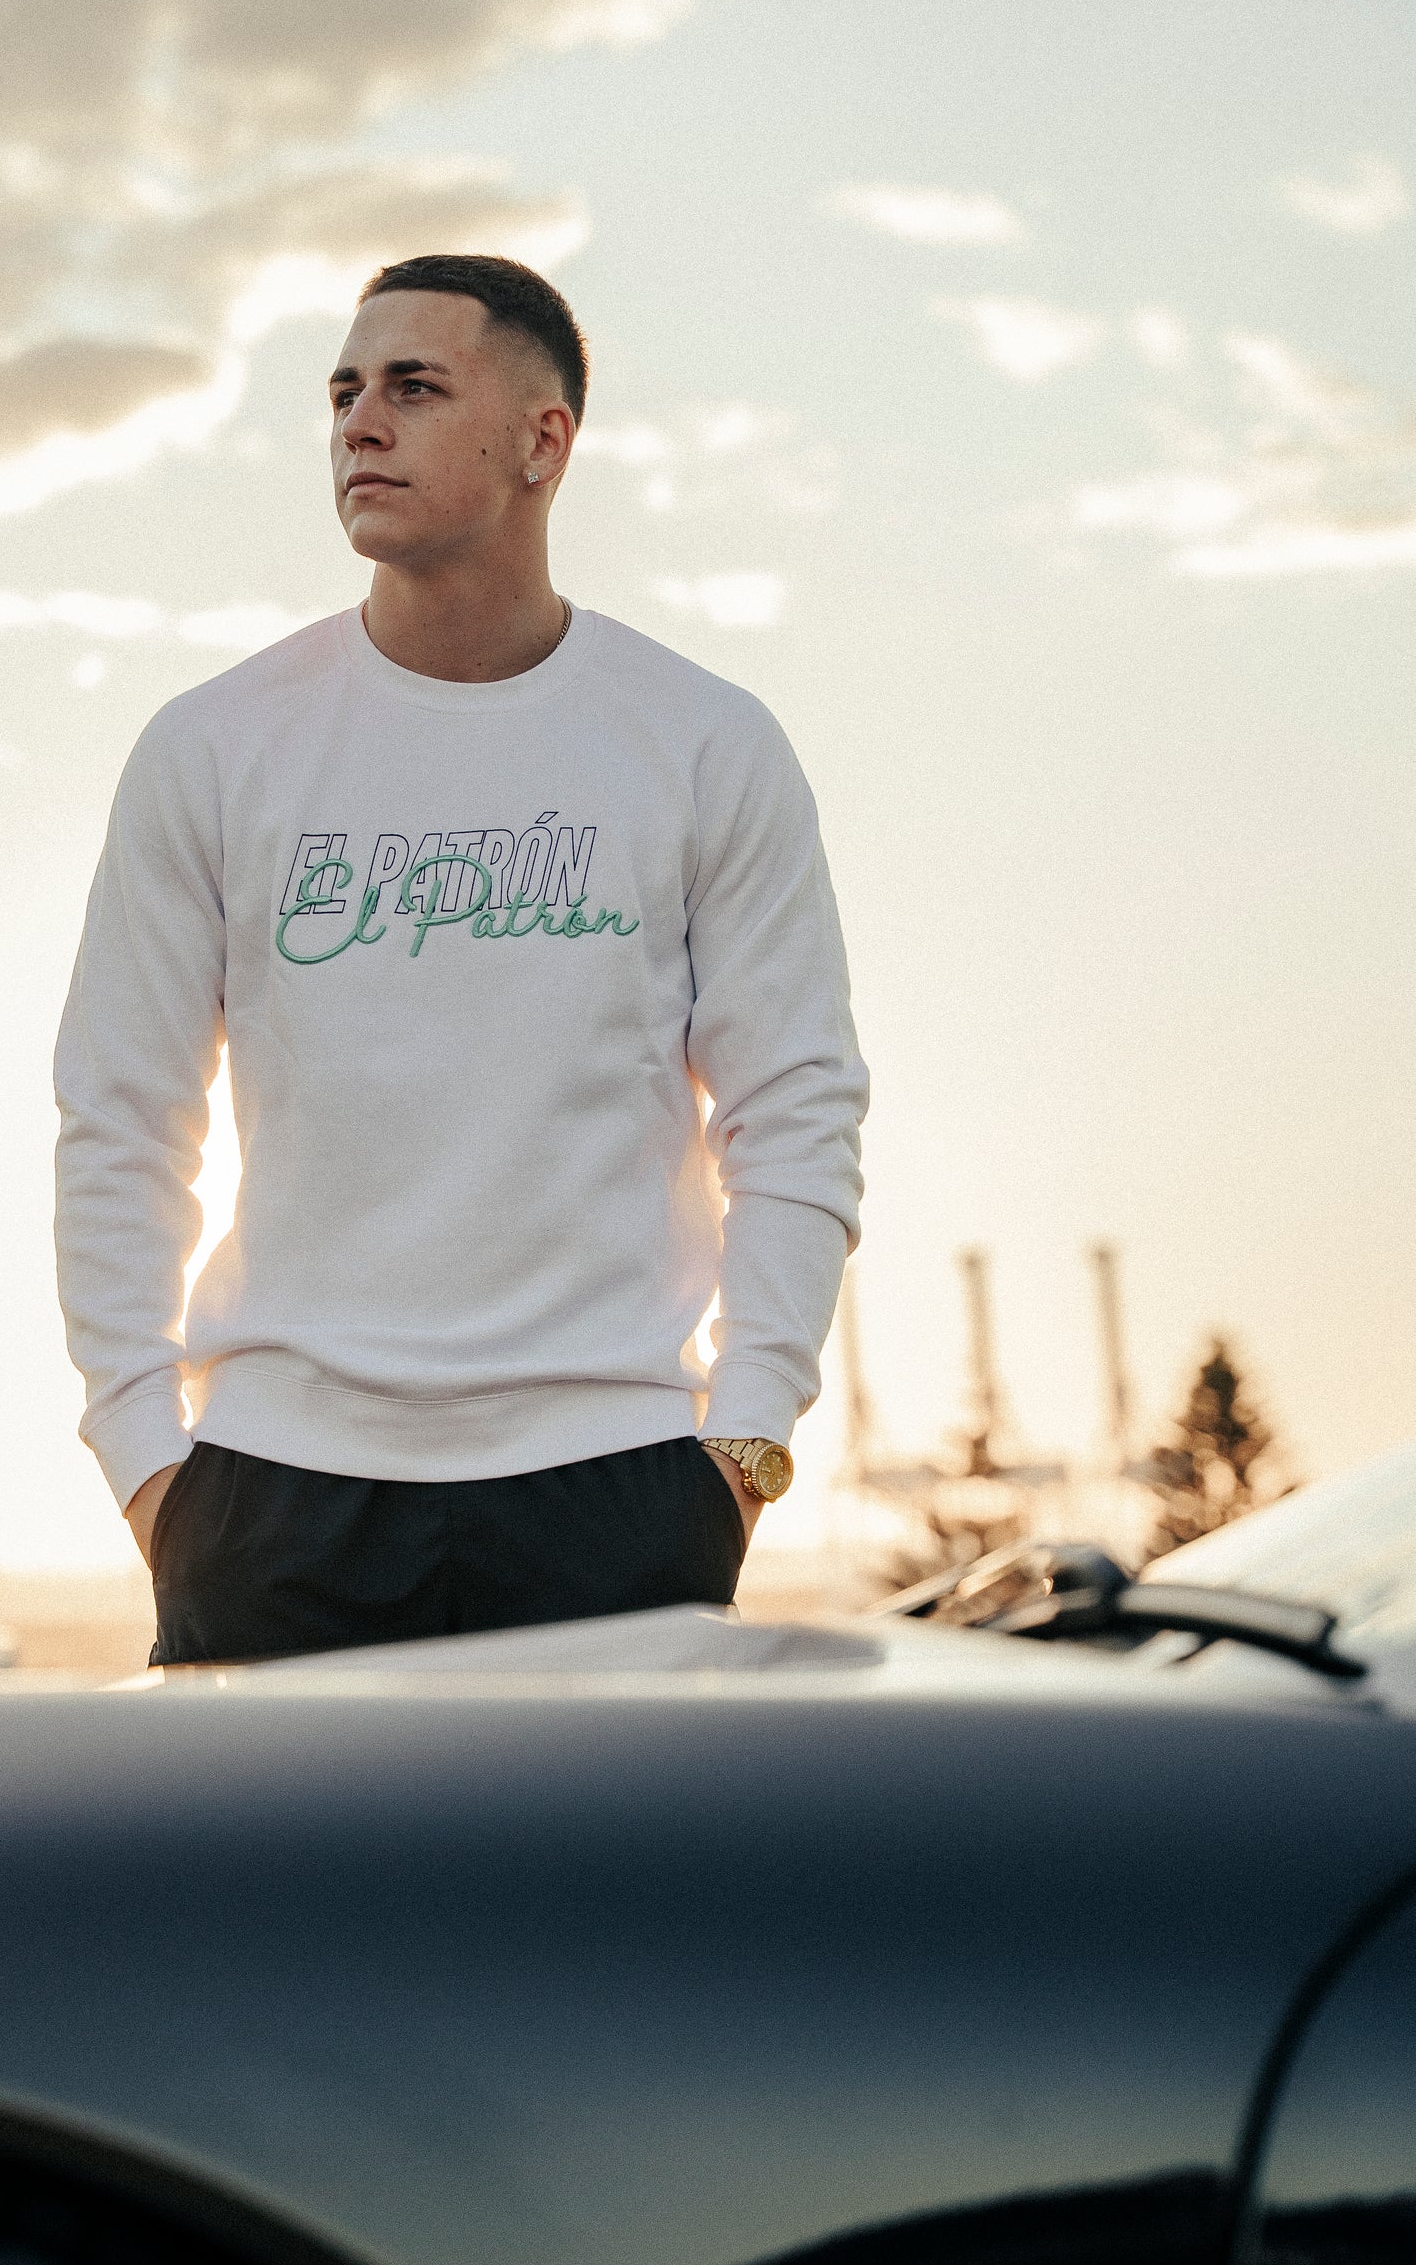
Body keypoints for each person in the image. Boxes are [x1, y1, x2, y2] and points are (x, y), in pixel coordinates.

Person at [54, 253, 868, 1664]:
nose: (360, 425)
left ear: (543, 441)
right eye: (343, 394)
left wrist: (744, 1445)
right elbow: (120, 1115)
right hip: (276, 1499)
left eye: (415, 388)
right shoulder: (215, 746)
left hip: (613, 1485)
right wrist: (144, 1456)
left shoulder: (701, 743)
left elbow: (796, 1109)